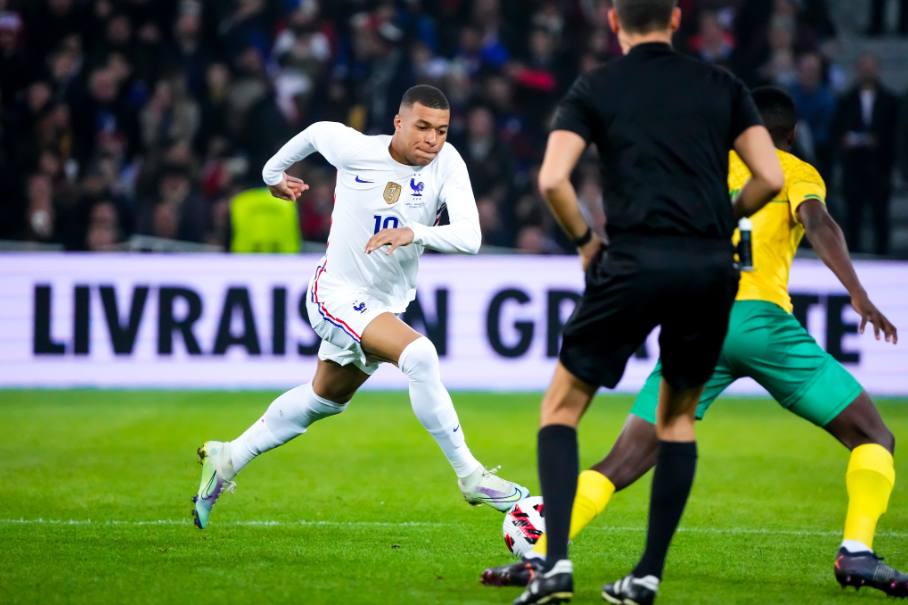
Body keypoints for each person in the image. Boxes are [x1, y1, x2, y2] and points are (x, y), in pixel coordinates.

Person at [482, 87, 907, 599]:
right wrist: (858, 294)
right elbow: (816, 220)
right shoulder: (794, 171)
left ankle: (543, 554)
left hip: (694, 323)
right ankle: (856, 551)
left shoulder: (702, 167)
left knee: (621, 463)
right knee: (873, 436)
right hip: (761, 324)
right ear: (790, 135)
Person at [495, 1, 785, 603]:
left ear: (613, 21)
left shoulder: (596, 86)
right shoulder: (723, 85)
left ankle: (556, 567)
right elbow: (771, 178)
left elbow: (552, 179)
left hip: (631, 261)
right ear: (676, 19)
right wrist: (717, 219)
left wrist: (583, 241)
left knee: (562, 408)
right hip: (708, 266)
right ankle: (647, 573)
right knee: (677, 419)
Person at [191, 85, 529, 529]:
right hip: (335, 292)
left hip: (383, 303)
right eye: (423, 127)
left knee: (324, 400)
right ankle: (471, 477)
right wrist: (273, 175)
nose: (432, 139)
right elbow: (315, 132)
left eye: (441, 130)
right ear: (399, 123)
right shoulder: (356, 150)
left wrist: (415, 232)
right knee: (420, 355)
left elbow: (470, 237)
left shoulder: (448, 163)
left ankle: (228, 455)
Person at [831, 53, 900, 256]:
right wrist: (844, 142)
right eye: (863, 67)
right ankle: (852, 258)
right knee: (853, 217)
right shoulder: (845, 101)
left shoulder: (891, 101)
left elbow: (896, 134)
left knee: (880, 217)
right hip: (853, 168)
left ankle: (882, 257)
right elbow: (836, 130)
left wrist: (879, 142)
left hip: (880, 167)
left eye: (870, 67)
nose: (867, 71)